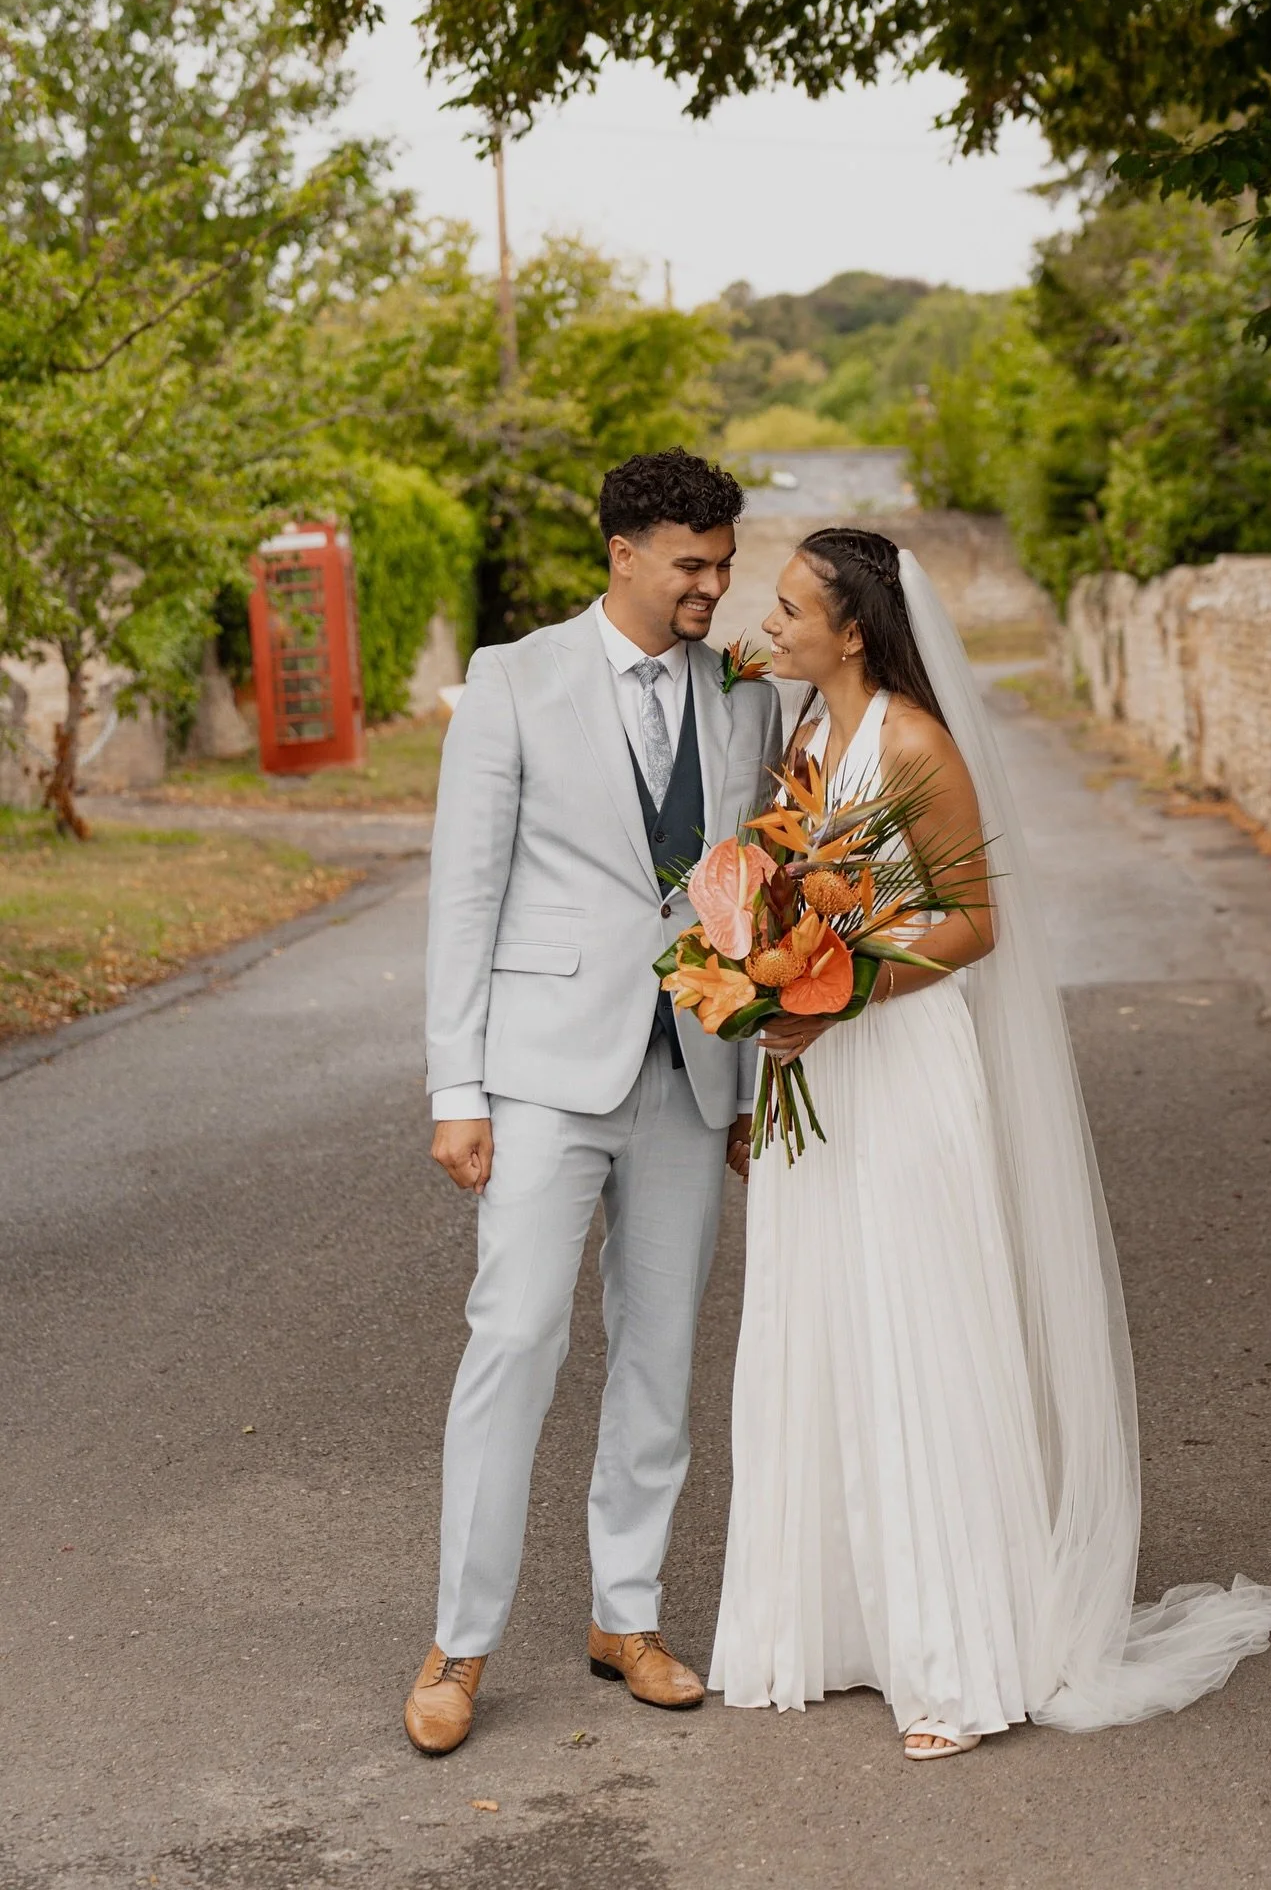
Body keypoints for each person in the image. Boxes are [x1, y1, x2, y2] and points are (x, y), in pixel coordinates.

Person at [709, 528, 1271, 1759]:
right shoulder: (806, 740)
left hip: (896, 1056)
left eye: (788, 611)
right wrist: (766, 988)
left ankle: (957, 1657)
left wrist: (831, 992)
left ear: (853, 632)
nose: (767, 626)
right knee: (825, 1320)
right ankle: (845, 1626)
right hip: (819, 1062)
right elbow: (777, 892)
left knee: (923, 1328)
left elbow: (973, 925)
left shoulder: (912, 742)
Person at [407, 447, 781, 1756]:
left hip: (692, 1073)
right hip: (543, 1072)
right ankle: (459, 1645)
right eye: (692, 564)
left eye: (725, 566)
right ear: (621, 553)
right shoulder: (514, 682)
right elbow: (465, 891)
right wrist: (460, 1089)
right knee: (513, 1340)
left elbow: (750, 885)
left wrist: (748, 1076)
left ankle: (627, 1616)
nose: (713, 587)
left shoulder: (744, 696)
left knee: (661, 1357)